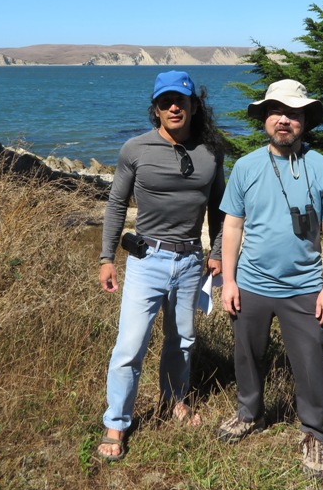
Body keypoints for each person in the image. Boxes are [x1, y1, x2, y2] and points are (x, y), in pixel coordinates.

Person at [217, 79, 323, 480]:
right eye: (276, 111)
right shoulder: (246, 166)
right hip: (252, 283)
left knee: (310, 363)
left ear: (304, 120)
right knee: (246, 355)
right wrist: (228, 280)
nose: (284, 120)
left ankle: (315, 433)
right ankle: (249, 413)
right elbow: (232, 227)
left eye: (293, 113)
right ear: (265, 119)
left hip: (306, 287)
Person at [97, 70, 225, 462]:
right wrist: (106, 258)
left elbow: (220, 209)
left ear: (192, 106)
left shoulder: (212, 152)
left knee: (182, 340)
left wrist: (216, 252)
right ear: (155, 108)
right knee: (130, 346)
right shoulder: (135, 149)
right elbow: (117, 204)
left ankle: (176, 401)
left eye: (181, 101)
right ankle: (116, 422)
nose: (174, 107)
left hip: (190, 261)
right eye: (166, 101)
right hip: (146, 260)